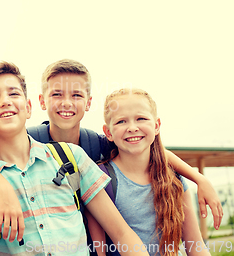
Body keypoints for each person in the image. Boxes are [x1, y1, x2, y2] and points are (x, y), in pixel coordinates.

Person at [0, 59, 222, 243]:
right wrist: (3, 188)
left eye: (76, 95)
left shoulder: (96, 143)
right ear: (42, 102)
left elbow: (151, 149)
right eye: (57, 94)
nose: (67, 103)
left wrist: (198, 177)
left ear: (88, 103)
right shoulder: (31, 138)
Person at [0, 61, 151, 256]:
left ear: (29, 107)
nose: (5, 101)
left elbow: (122, 234)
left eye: (13, 93)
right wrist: (2, 188)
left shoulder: (70, 156)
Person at [87, 88, 210, 256]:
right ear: (108, 132)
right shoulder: (100, 180)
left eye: (141, 118)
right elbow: (99, 251)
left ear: (157, 125)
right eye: (121, 121)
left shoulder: (174, 177)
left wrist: (201, 180)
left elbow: (196, 246)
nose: (132, 127)